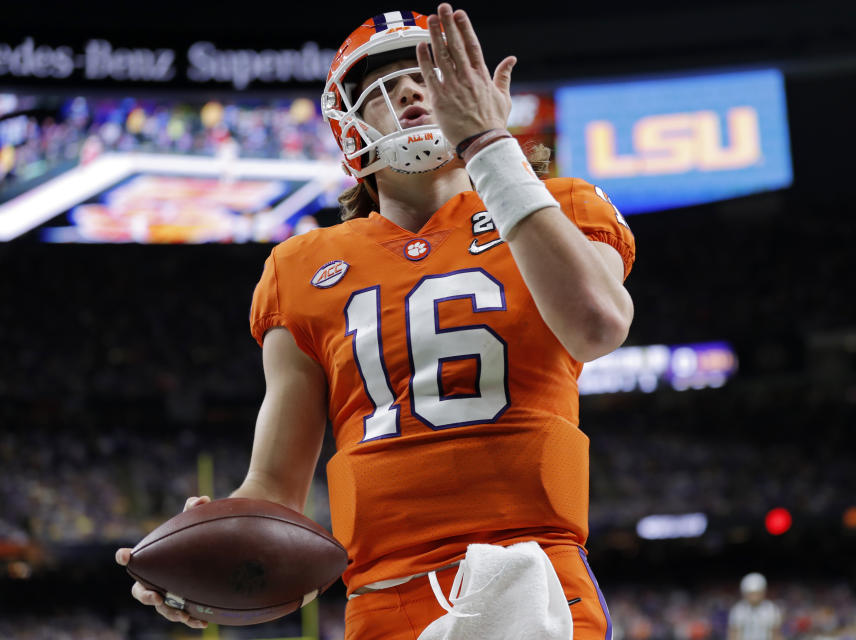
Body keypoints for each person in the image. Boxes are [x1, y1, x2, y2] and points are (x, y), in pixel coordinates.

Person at [116, 4, 635, 638]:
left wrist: (490, 149)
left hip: (534, 572)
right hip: (383, 599)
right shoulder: (301, 266)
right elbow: (276, 486)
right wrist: (219, 545)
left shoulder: (561, 204)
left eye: (434, 76)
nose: (415, 89)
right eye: (387, 84)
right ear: (351, 127)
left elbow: (598, 325)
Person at [728, 573, 783, 640]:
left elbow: (775, 635)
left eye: (757, 593)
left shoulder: (772, 609)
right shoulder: (738, 610)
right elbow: (734, 635)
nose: (754, 598)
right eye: (751, 594)